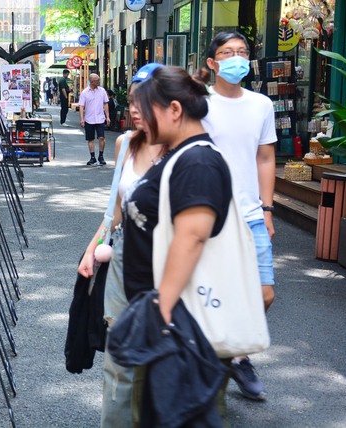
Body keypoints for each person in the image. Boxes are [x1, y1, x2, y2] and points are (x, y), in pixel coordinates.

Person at [123, 65, 233, 423]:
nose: (138, 116)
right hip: (170, 320)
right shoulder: (179, 154)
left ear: (174, 109)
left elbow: (192, 236)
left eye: (145, 108)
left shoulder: (198, 160)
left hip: (182, 323)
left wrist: (161, 308)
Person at [78, 64, 165, 428]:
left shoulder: (187, 150)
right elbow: (114, 208)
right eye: (131, 100)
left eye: (142, 101)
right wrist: (91, 248)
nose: (132, 109)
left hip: (169, 260)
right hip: (125, 258)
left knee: (159, 360)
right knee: (119, 357)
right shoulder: (125, 143)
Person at [201, 31, 277, 401]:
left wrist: (267, 208)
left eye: (243, 52)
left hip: (250, 213)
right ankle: (236, 356)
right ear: (212, 63)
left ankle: (230, 352)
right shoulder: (199, 102)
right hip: (208, 213)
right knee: (212, 289)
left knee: (263, 294)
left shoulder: (261, 104)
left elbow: (265, 157)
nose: (237, 58)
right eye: (228, 52)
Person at [78, 73, 110, 166]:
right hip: (89, 119)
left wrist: (107, 116)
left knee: (101, 137)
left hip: (100, 118)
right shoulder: (84, 92)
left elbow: (105, 103)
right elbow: (81, 106)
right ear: (92, 81)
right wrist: (82, 119)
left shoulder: (102, 91)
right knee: (90, 139)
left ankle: (101, 156)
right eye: (97, 80)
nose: (99, 81)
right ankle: (92, 157)